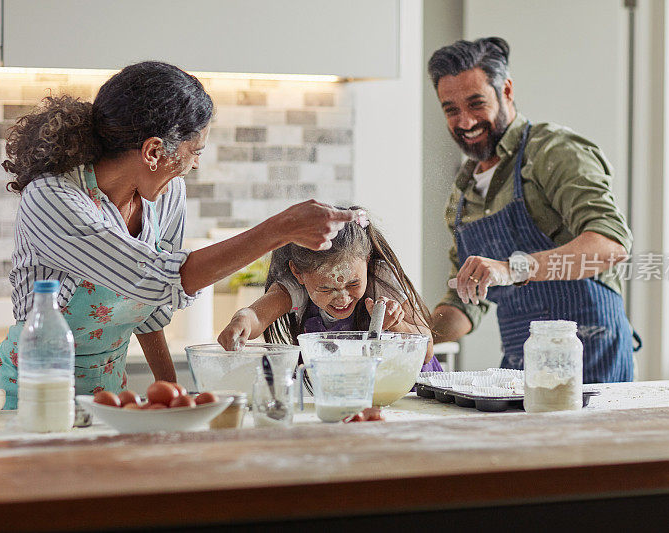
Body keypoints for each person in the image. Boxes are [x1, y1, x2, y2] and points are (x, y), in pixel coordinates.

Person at [0, 61, 359, 408]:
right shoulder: (52, 198)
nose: (195, 165)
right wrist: (280, 228)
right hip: (26, 398)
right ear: (153, 151)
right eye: (195, 151)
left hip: (107, 401)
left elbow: (150, 309)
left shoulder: (165, 194)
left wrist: (171, 392)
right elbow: (154, 277)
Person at [427, 38, 639, 383]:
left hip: (591, 355)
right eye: (451, 109)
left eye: (476, 103)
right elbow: (465, 301)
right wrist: (416, 337)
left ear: (506, 90)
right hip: (522, 362)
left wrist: (513, 269)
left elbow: (610, 245)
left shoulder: (551, 151)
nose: (464, 121)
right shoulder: (464, 191)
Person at [218, 209, 439, 369]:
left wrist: (397, 324)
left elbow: (427, 350)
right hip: (353, 391)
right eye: (326, 289)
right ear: (298, 273)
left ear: (367, 260)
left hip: (410, 389)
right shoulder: (294, 287)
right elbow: (257, 315)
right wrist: (241, 321)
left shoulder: (380, 277)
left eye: (353, 284)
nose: (343, 298)